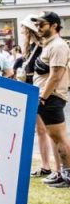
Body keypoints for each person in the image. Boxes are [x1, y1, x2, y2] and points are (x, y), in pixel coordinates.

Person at [32, 12, 70, 188]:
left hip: (51, 98)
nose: (38, 27)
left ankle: (67, 175)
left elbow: (56, 75)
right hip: (47, 97)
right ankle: (60, 173)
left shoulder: (58, 46)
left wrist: (43, 96)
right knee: (54, 138)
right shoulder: (49, 45)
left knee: (60, 138)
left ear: (54, 25)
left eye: (42, 24)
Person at [18, 16, 57, 178]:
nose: (21, 32)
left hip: (39, 90)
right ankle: (46, 165)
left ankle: (50, 166)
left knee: (45, 130)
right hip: (30, 89)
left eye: (23, 29)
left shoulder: (41, 48)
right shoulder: (30, 48)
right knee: (40, 130)